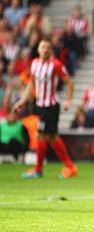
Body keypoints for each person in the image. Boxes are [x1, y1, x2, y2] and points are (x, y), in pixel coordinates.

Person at [12, 40, 77, 179]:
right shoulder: (34, 64)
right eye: (43, 47)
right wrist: (22, 101)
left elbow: (69, 81)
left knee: (43, 135)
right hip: (40, 105)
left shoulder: (56, 64)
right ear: (39, 49)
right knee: (49, 136)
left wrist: (69, 100)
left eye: (48, 47)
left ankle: (60, 167)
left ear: (51, 50)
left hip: (51, 105)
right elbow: (31, 83)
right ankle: (58, 167)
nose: (45, 49)